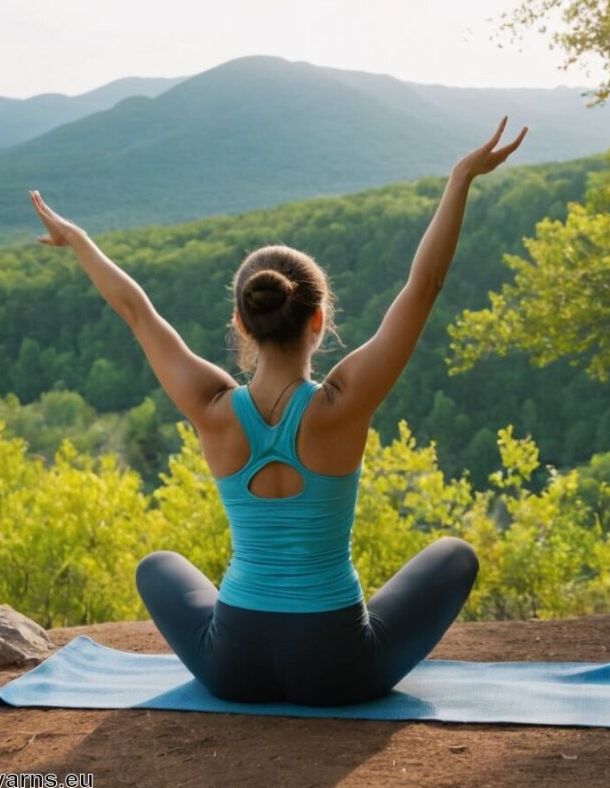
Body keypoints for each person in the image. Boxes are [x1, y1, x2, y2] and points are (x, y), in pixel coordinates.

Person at [28, 116, 528, 705]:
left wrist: (79, 241)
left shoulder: (212, 408)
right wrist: (460, 178)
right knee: (456, 556)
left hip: (232, 664)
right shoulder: (342, 405)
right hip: (338, 668)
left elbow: (137, 311)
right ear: (318, 320)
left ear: (241, 322)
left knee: (157, 564)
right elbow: (423, 287)